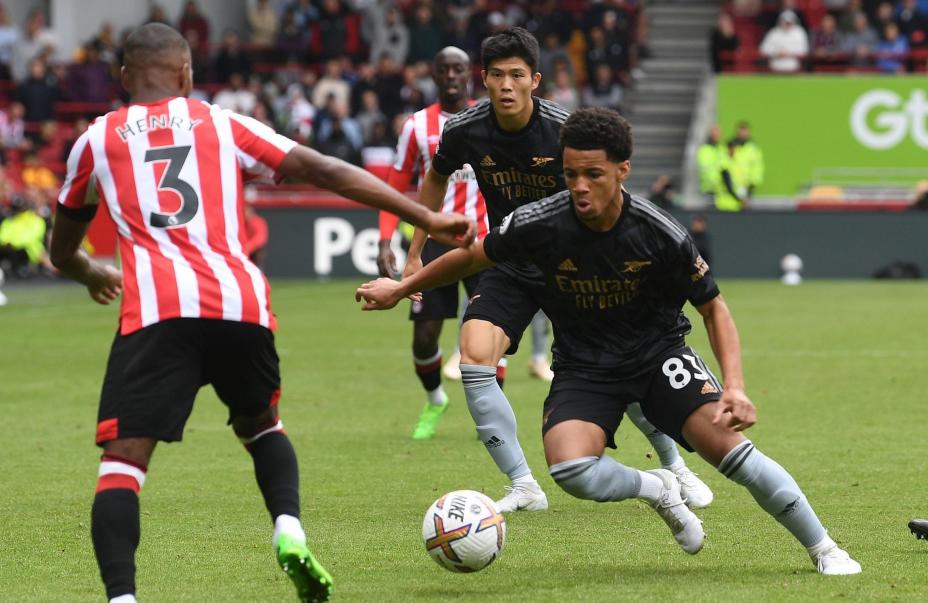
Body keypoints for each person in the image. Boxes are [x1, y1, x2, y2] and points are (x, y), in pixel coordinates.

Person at [48, 23, 473, 603]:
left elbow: (62, 247)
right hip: (241, 306)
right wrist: (427, 219)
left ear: (123, 77)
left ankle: (123, 597)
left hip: (157, 310)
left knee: (123, 463)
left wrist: (89, 271)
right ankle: (289, 530)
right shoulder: (223, 124)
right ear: (187, 75)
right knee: (262, 426)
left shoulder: (95, 140)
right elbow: (324, 168)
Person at [356, 107, 863, 576]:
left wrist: (735, 385)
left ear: (622, 170)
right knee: (569, 467)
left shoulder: (659, 233)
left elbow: (714, 306)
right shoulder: (539, 223)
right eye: (570, 172)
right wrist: (402, 287)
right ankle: (658, 487)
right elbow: (471, 258)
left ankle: (825, 547)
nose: (579, 185)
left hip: (658, 357)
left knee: (731, 453)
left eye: (592, 174)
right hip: (584, 368)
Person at [403, 27, 712, 513]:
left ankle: (675, 467)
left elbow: (607, 194)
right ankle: (523, 484)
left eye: (517, 76)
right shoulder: (464, 129)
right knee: (474, 356)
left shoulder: (563, 132)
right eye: (497, 75)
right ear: (483, 80)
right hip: (509, 262)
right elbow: (435, 178)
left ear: (535, 81)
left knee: (618, 363)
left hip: (575, 267)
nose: (506, 85)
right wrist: (415, 248)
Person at [375, 47, 492, 440]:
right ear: (436, 76)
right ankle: (436, 398)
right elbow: (396, 185)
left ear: (469, 74)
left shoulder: (490, 118)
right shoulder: (416, 126)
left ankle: (488, 420)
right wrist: (385, 239)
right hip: (433, 244)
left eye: (458, 69)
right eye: (443, 70)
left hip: (484, 241)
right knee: (425, 338)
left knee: (490, 330)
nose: (451, 76)